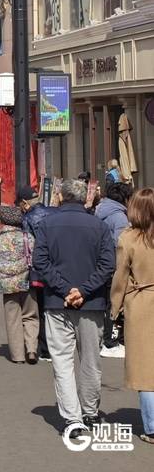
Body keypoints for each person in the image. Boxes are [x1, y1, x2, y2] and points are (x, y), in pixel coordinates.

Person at [32, 177, 116, 438]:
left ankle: (72, 417)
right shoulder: (98, 226)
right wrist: (84, 290)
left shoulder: (47, 225)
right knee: (91, 360)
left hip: (58, 302)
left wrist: (66, 289)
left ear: (60, 196)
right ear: (85, 198)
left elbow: (40, 262)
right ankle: (90, 412)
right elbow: (107, 264)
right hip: (91, 303)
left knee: (62, 361)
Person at [110, 188, 154, 445]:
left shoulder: (128, 239)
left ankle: (151, 427)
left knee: (145, 370)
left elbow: (120, 278)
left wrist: (115, 308)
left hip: (140, 304)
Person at [0, 206, 39, 364]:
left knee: (13, 319)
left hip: (6, 283)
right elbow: (36, 259)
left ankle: (18, 355)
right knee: (30, 316)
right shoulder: (28, 236)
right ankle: (31, 349)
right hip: (26, 280)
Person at [98, 181, 133, 357]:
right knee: (115, 303)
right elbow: (122, 245)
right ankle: (111, 343)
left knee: (105, 302)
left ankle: (106, 339)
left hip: (100, 264)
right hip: (113, 265)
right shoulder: (119, 217)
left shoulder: (100, 210)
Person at [18, 183, 52, 360]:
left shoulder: (28, 218)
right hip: (56, 266)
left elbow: (28, 246)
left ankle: (44, 348)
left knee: (39, 308)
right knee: (54, 309)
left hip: (38, 269)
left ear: (25, 203)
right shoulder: (53, 213)